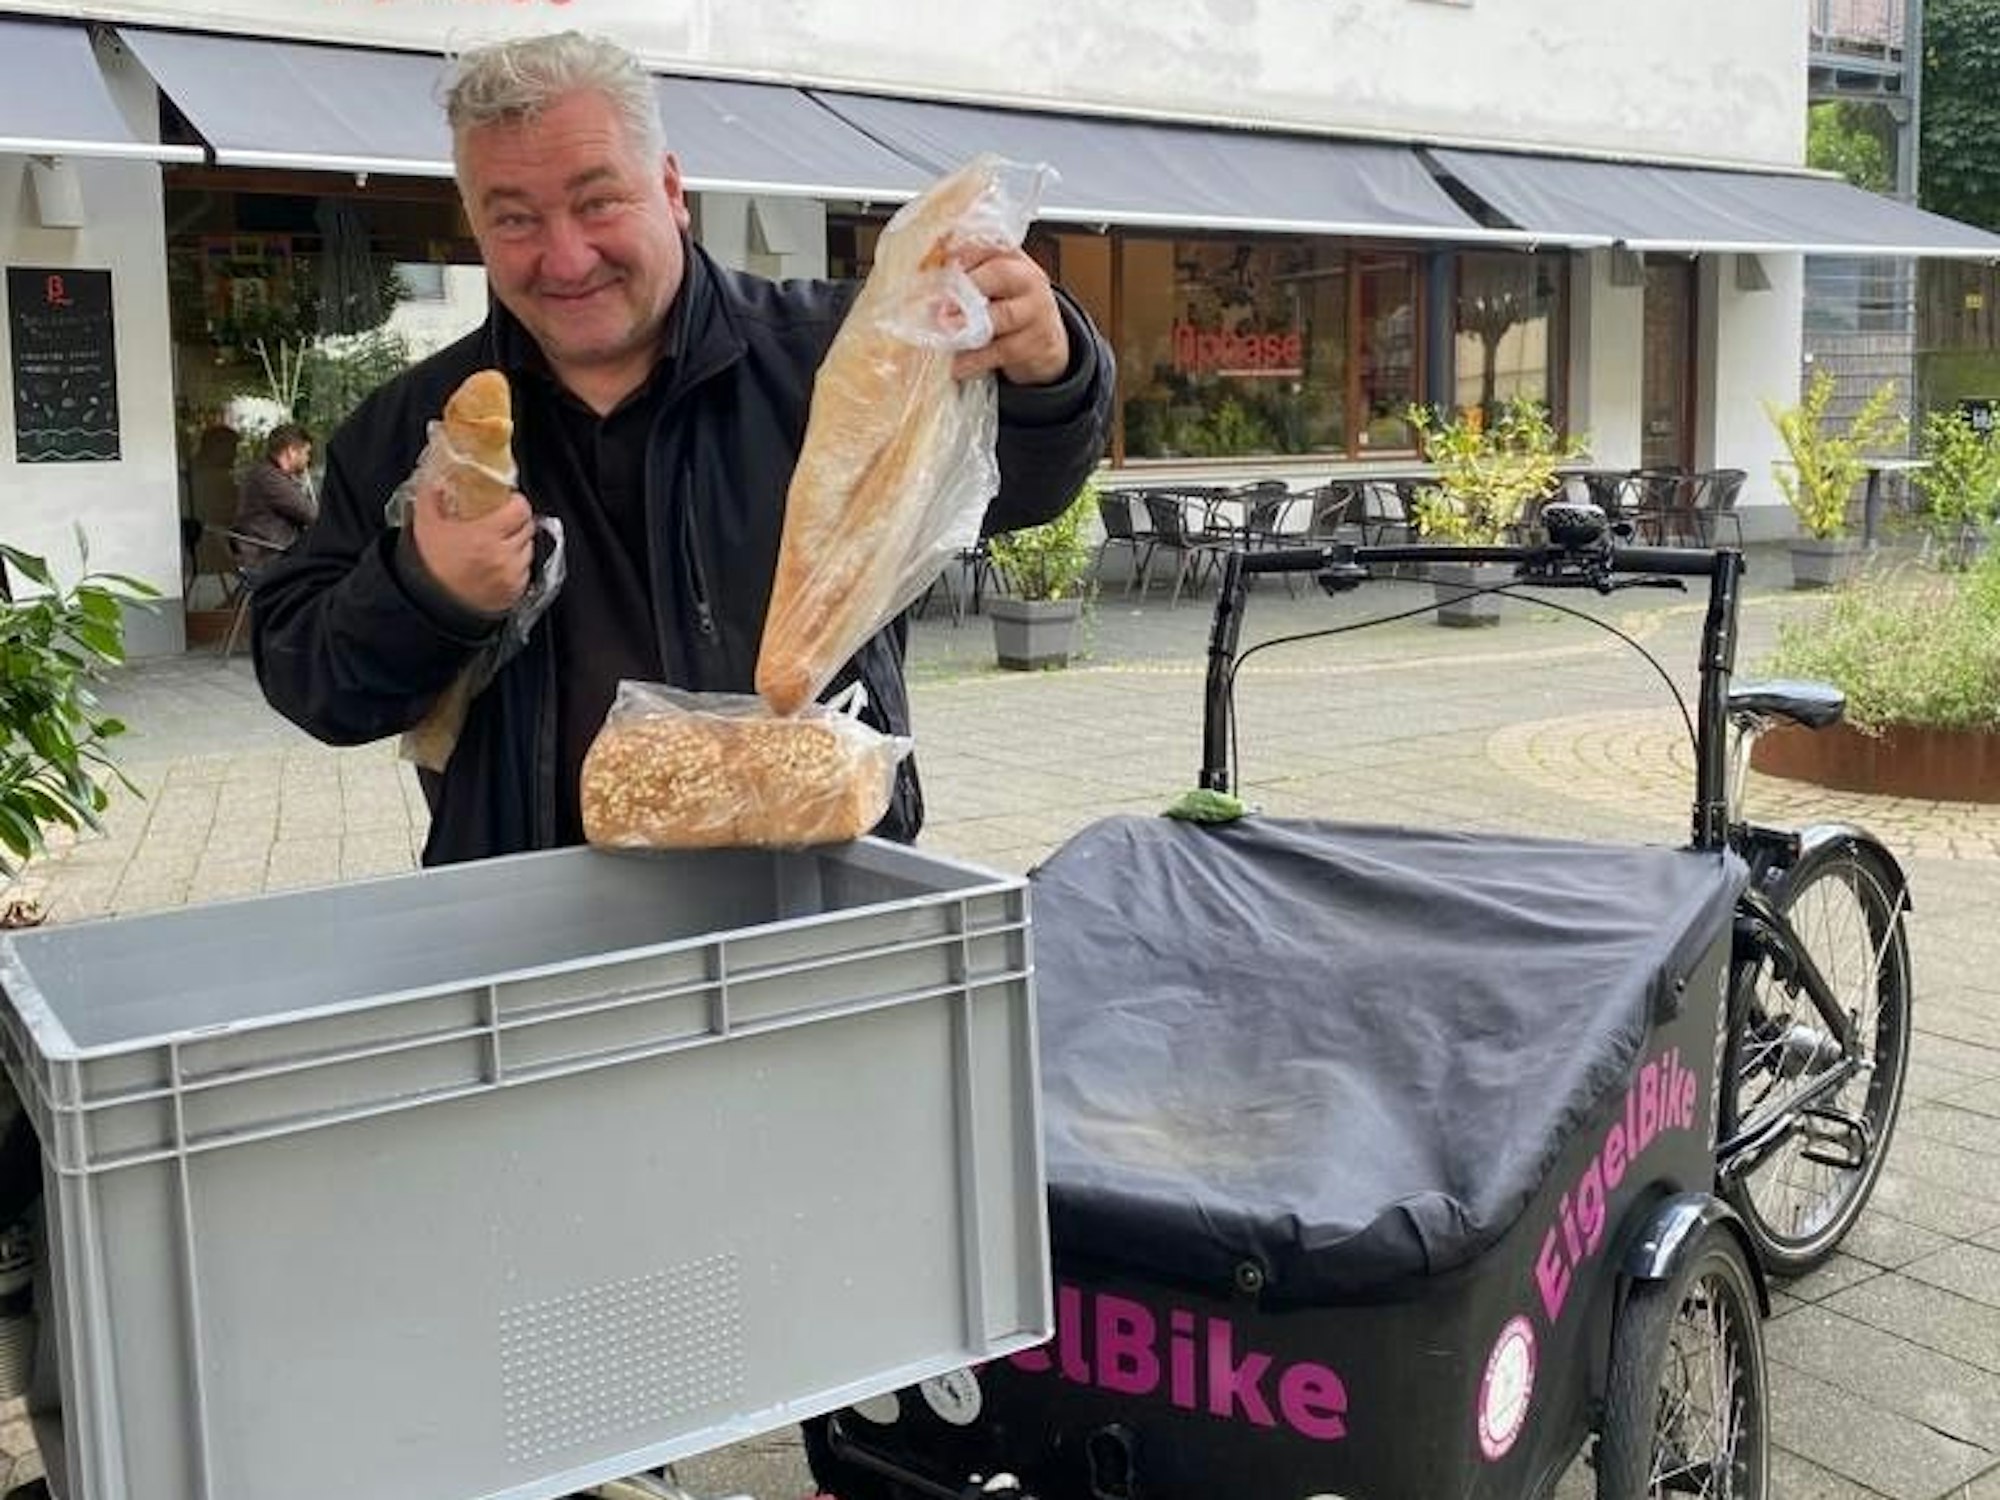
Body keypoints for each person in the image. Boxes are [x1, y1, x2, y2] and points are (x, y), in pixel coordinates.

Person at [252, 30, 1113, 868]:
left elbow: (1013, 492)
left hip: (819, 886)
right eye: (514, 218)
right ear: (475, 222)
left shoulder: (833, 358)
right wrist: (424, 591)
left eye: (597, 202)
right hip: (527, 923)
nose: (565, 255)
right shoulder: (416, 429)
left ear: (670, 188)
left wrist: (1051, 371)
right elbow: (313, 684)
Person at [230, 422, 318, 565]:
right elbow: (310, 513)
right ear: (291, 451)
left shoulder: (266, 474)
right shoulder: (269, 478)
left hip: (274, 552)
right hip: (270, 556)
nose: (308, 459)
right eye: (307, 453)